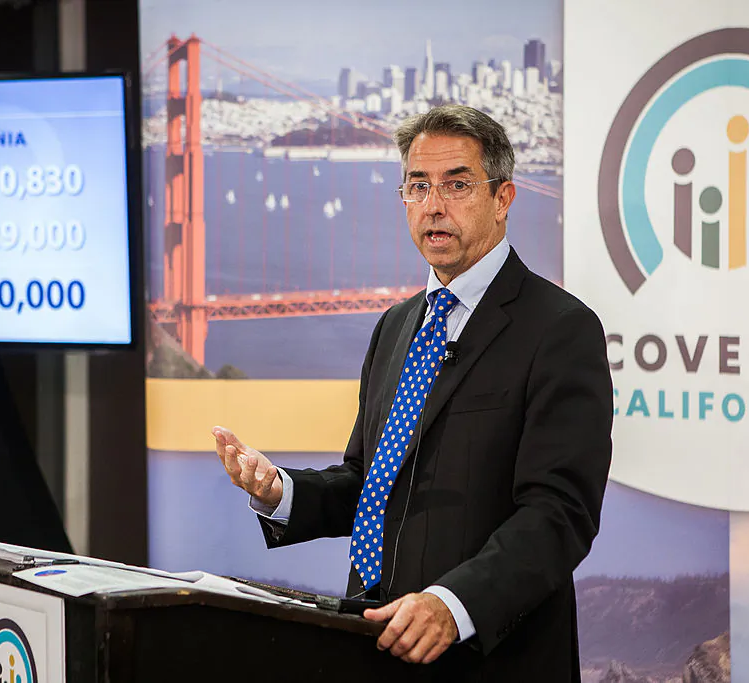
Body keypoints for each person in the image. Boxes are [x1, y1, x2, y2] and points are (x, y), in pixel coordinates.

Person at [212, 104, 613, 681]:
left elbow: (559, 513)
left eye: (456, 185)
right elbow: (369, 483)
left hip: (491, 656)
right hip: (372, 637)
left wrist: (453, 606)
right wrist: (282, 492)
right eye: (418, 186)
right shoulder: (397, 326)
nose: (434, 204)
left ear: (503, 199)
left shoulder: (559, 329)